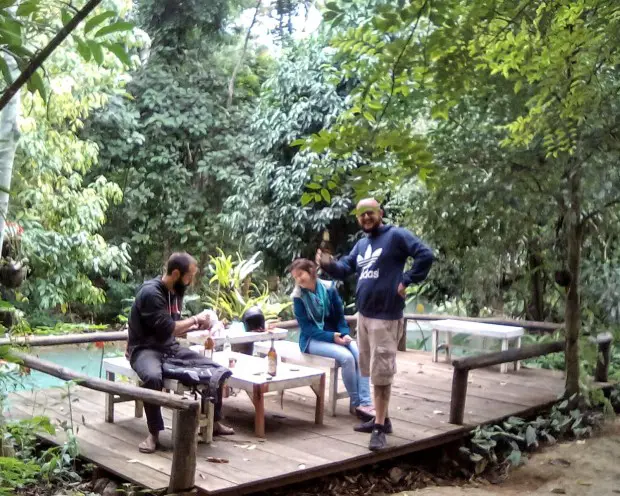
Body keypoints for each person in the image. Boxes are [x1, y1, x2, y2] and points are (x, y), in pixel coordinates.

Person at [316, 198, 434, 451]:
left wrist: (407, 279)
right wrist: (328, 264)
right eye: (361, 214)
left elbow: (425, 255)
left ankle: (379, 428)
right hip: (365, 315)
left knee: (382, 374)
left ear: (380, 212)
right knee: (373, 371)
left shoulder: (396, 236)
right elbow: (345, 268)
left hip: (385, 317)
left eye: (370, 212)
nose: (366, 217)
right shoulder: (362, 244)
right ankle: (383, 419)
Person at [127, 252, 234, 453]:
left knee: (217, 370)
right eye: (189, 276)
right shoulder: (151, 293)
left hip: (170, 347)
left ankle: (215, 421)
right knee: (152, 377)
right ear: (176, 274)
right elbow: (169, 327)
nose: (190, 281)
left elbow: (172, 328)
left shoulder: (175, 292)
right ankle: (153, 433)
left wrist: (198, 326)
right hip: (144, 349)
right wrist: (195, 319)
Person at [289, 258, 374, 419]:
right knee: (347, 358)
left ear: (311, 271)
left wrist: (344, 334)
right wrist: (332, 337)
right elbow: (307, 329)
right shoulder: (298, 297)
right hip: (311, 340)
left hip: (336, 335)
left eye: (300, 274)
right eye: (295, 277)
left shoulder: (329, 289)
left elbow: (340, 317)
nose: (298, 280)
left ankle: (366, 403)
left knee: (360, 355)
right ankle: (358, 404)